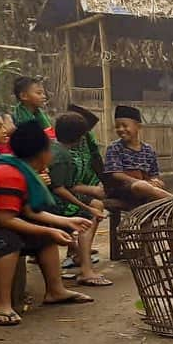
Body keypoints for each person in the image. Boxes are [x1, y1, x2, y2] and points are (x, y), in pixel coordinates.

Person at [0, 121, 94, 325]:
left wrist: (66, 221)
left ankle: (55, 290)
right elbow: (4, 219)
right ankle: (2, 304)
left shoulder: (22, 170)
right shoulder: (9, 174)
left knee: (44, 236)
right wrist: (50, 230)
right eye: (49, 149)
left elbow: (28, 210)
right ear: (41, 154)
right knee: (7, 241)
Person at [50, 112, 111, 287]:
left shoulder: (54, 148)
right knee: (88, 216)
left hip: (52, 198)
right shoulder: (64, 157)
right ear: (80, 137)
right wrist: (86, 206)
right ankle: (86, 270)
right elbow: (61, 189)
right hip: (53, 204)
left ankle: (79, 255)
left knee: (95, 205)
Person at [103, 105, 171, 206]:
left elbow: (154, 174)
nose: (121, 129)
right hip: (121, 189)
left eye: (125, 126)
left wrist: (155, 181)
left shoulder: (148, 150)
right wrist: (140, 182)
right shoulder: (114, 147)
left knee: (159, 185)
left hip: (145, 187)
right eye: (117, 126)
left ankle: (172, 206)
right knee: (140, 186)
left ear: (138, 127)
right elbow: (116, 174)